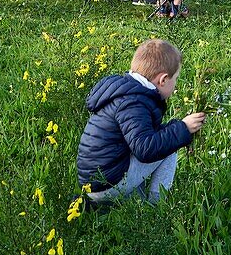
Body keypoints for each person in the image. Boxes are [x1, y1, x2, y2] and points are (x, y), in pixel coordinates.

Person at [77, 39, 206, 206]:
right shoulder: (134, 103)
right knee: (170, 146)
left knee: (166, 138)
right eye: (176, 79)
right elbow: (146, 149)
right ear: (163, 80)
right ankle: (155, 206)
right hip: (107, 184)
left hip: (95, 181)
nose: (175, 86)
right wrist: (183, 129)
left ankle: (119, 203)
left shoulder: (127, 92)